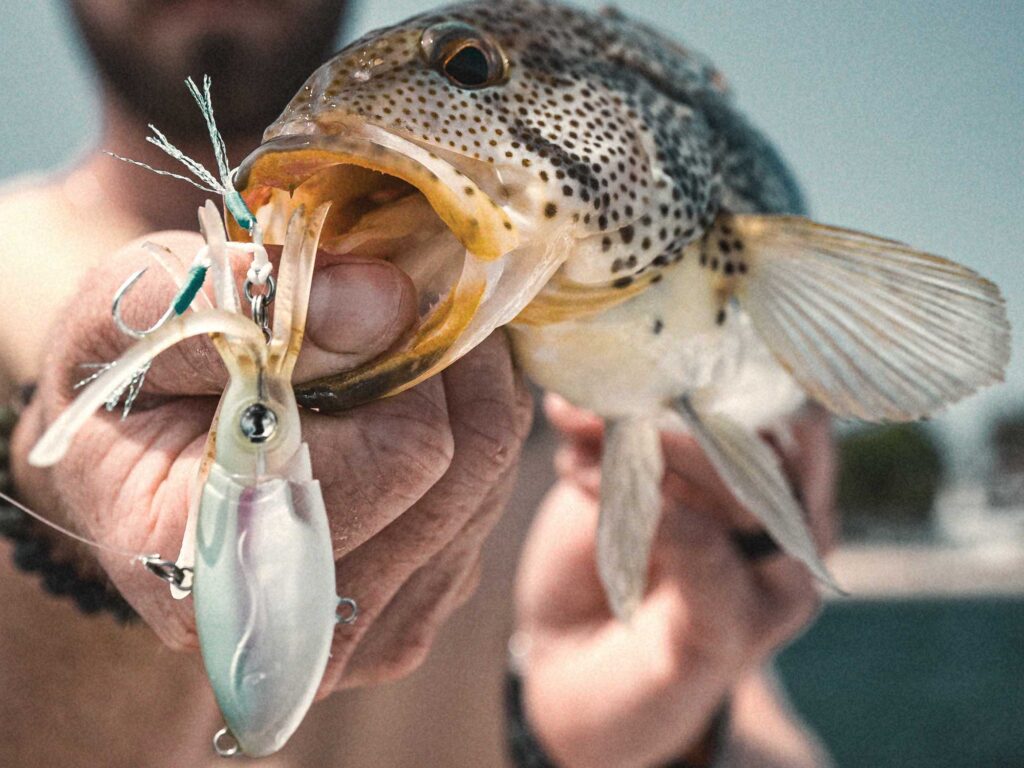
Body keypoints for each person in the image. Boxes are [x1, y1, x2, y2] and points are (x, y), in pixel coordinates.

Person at [0, 1, 834, 766]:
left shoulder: (576, 321)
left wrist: (653, 715)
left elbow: (770, 737)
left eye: (469, 71)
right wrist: (63, 549)